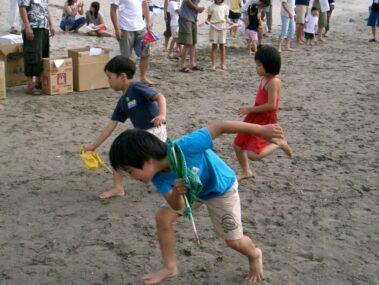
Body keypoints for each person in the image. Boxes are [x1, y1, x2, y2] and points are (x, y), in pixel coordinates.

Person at [109, 121, 285, 285]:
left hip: (221, 189)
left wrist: (261, 130)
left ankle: (254, 255)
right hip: (193, 192)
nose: (132, 178)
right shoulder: (157, 176)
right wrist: (178, 193)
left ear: (148, 160)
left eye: (130, 171)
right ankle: (170, 267)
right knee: (163, 217)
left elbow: (221, 126)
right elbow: (176, 205)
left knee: (234, 241)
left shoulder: (185, 146)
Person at [86, 56, 167, 199]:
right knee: (117, 154)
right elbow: (111, 125)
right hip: (141, 134)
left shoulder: (136, 87)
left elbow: (160, 97)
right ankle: (118, 189)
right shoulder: (122, 101)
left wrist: (161, 115)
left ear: (122, 76)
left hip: (154, 130)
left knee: (160, 160)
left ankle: (176, 181)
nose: (108, 81)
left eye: (109, 77)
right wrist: (93, 146)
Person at [233, 46, 292, 180]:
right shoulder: (264, 78)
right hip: (254, 115)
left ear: (269, 65)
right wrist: (251, 111)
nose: (256, 68)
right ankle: (246, 171)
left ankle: (279, 143)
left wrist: (250, 109)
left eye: (259, 65)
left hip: (265, 118)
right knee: (237, 145)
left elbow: (271, 106)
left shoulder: (274, 82)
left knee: (254, 154)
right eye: (257, 64)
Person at [110, 0, 154, 85]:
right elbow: (113, 10)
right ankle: (127, 79)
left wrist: (148, 21)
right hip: (125, 28)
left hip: (141, 27)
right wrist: (117, 29)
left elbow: (144, 4)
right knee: (126, 56)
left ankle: (143, 77)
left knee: (145, 53)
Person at [19, 0, 55, 95]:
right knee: (31, 54)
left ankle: (39, 82)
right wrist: (27, 27)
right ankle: (30, 85)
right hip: (32, 27)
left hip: (44, 27)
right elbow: (22, 8)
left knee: (43, 54)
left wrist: (51, 25)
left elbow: (46, 9)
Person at [178, 0, 205, 73]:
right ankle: (182, 65)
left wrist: (197, 13)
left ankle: (192, 64)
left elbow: (195, 3)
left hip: (192, 18)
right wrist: (197, 8)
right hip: (186, 18)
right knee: (187, 42)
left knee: (193, 42)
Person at [206, 0, 232, 71]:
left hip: (222, 26)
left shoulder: (226, 6)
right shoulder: (211, 7)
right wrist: (207, 21)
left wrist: (232, 24)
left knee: (222, 46)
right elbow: (208, 18)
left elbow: (226, 19)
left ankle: (223, 64)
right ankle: (213, 64)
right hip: (214, 26)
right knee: (214, 46)